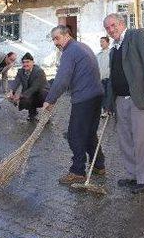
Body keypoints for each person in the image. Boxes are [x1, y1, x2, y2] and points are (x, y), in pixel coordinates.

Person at [103, 13, 144, 194]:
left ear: (122, 24)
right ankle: (133, 175)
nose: (111, 30)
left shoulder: (137, 35)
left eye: (113, 25)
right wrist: (109, 102)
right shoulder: (114, 48)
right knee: (125, 140)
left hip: (140, 97)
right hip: (121, 100)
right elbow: (113, 77)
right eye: (107, 28)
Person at [43, 25, 106, 185]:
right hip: (96, 94)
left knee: (75, 134)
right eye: (53, 40)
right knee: (90, 132)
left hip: (84, 97)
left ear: (66, 35)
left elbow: (62, 79)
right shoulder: (82, 46)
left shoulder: (69, 52)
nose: (55, 42)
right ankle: (99, 165)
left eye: (57, 38)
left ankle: (77, 171)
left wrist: (50, 100)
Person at [7, 52, 48, 122]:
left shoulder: (39, 72)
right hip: (29, 93)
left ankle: (47, 115)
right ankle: (32, 113)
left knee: (42, 94)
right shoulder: (21, 71)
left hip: (41, 93)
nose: (25, 64)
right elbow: (16, 81)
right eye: (23, 62)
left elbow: (35, 87)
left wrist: (20, 96)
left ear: (33, 62)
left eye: (27, 62)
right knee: (25, 99)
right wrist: (11, 91)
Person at [96, 36, 111, 117]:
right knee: (102, 94)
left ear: (108, 43)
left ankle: (108, 110)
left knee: (108, 94)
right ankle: (104, 109)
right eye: (100, 41)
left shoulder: (111, 53)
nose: (101, 43)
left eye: (103, 41)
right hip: (100, 78)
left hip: (109, 78)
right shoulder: (98, 55)